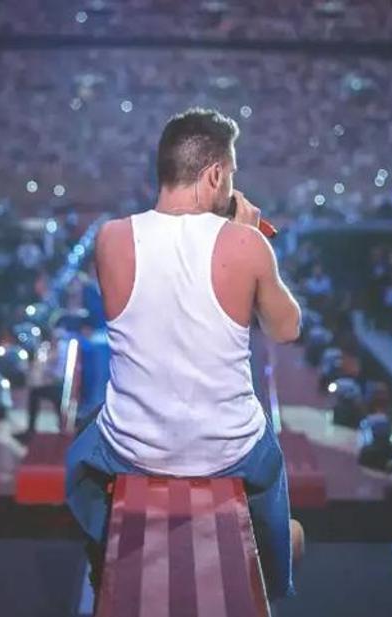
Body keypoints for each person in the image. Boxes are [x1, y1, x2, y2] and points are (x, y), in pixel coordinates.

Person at [65, 107, 303, 603]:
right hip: (231, 453)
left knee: (85, 443)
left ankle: (102, 553)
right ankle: (274, 562)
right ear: (215, 175)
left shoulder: (111, 239)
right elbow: (286, 330)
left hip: (132, 450)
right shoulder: (246, 244)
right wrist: (249, 235)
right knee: (269, 457)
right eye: (230, 173)